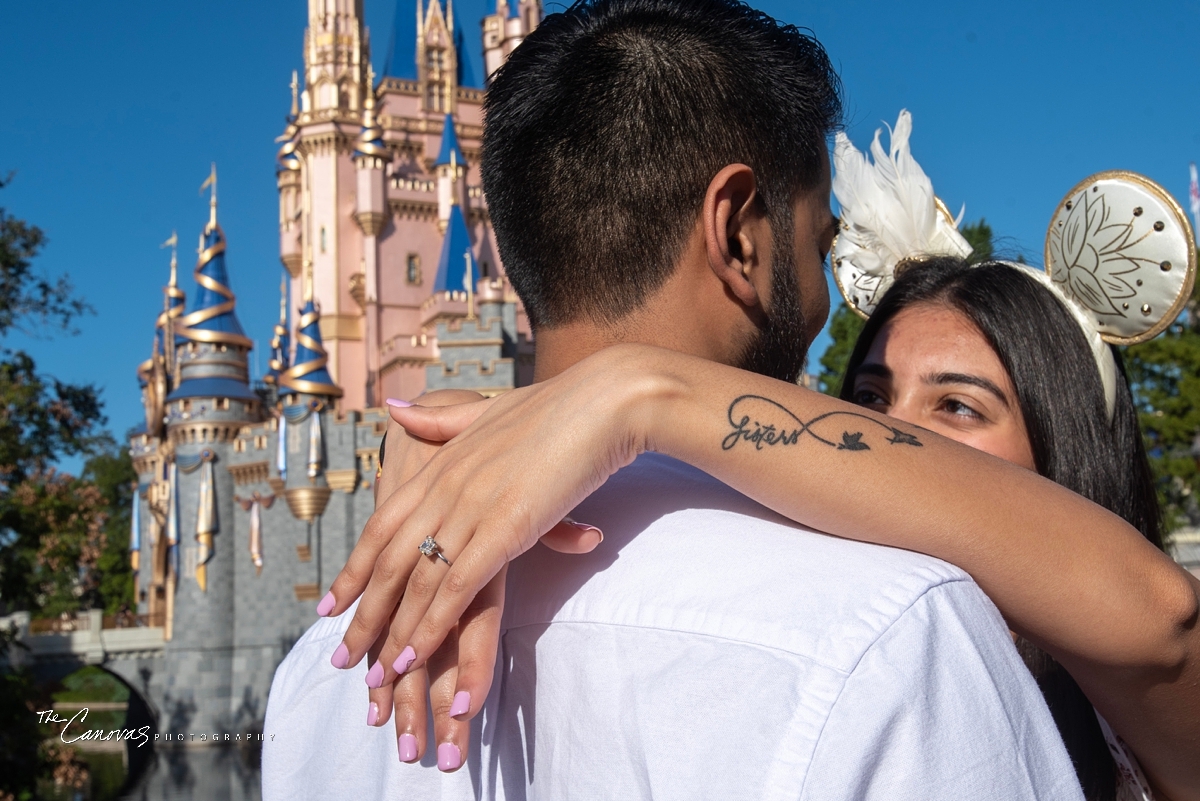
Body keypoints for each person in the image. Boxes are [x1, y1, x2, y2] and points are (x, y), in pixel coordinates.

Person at [261, 1, 1086, 799]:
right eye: (818, 243)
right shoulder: (896, 632)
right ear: (737, 234)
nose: (826, 300)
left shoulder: (321, 675)